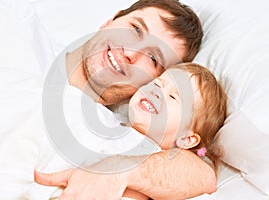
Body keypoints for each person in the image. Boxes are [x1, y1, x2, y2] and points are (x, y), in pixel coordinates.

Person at [35, 0, 217, 199]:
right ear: (112, 19)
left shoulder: (115, 128)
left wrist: (119, 172)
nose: (130, 53)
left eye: (153, 59)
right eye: (136, 30)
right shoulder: (20, 32)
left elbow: (203, 174)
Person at [35, 62, 227, 200]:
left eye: (173, 97)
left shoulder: (160, 162)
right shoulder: (110, 120)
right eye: (158, 83)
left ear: (186, 139)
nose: (156, 91)